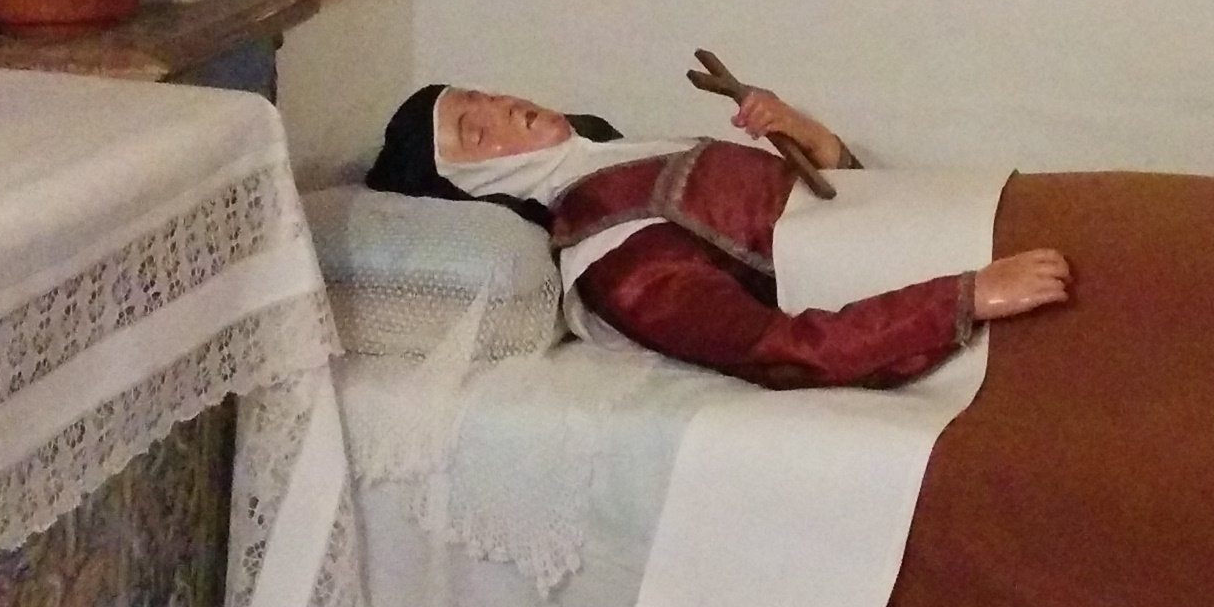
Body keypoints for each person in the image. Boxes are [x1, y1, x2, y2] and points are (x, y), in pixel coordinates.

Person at [364, 78, 1073, 390]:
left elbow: (826, 219)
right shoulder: (612, 253)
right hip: (955, 296)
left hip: (956, 216)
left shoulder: (633, 156)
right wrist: (966, 297)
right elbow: (780, 351)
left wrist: (812, 141)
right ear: (478, 188)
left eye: (484, 95)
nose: (502, 108)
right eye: (475, 131)